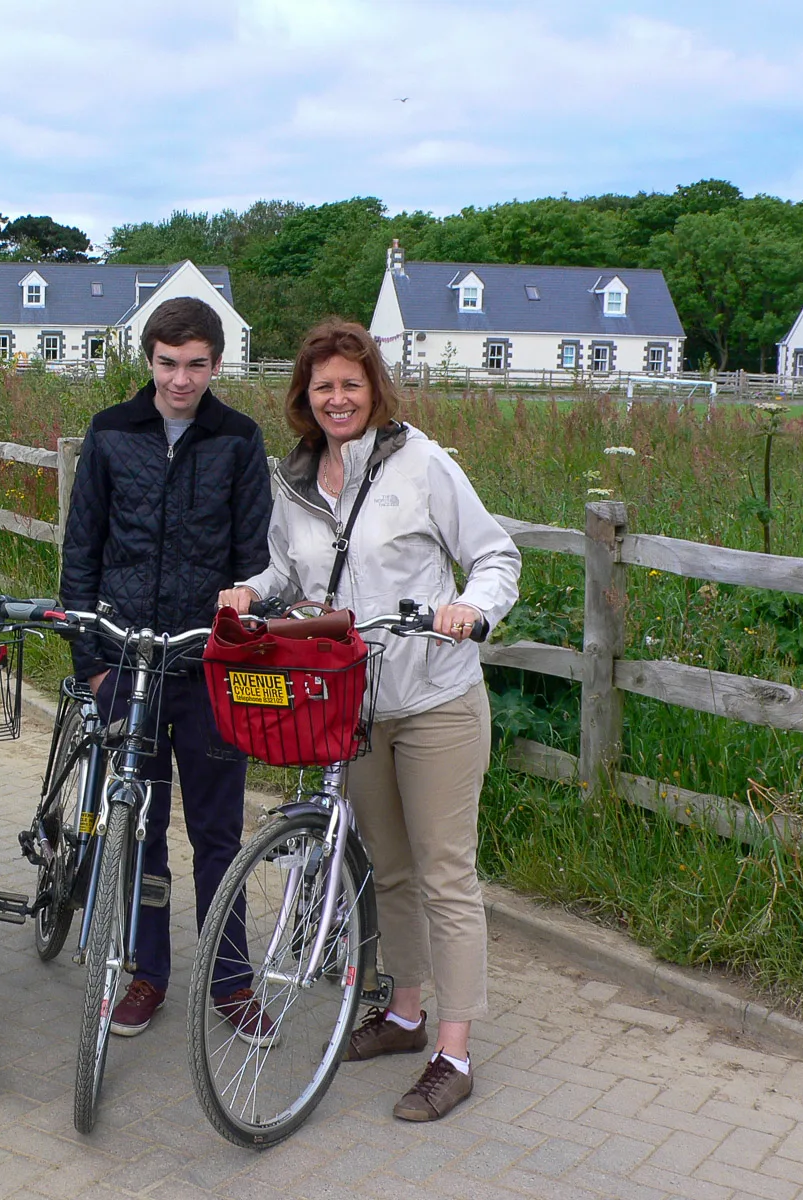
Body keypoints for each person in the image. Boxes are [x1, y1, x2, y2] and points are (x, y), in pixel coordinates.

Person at [218, 317, 521, 1122]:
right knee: (388, 870)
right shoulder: (295, 478)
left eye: (351, 384)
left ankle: (453, 1053)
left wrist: (471, 609)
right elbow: (287, 572)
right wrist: (252, 591)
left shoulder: (422, 463)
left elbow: (496, 555)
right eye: (324, 386)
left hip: (435, 698)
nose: (338, 398)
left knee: (445, 871)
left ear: (374, 389)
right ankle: (405, 1013)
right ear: (304, 396)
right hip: (349, 701)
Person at [61, 296, 273, 1039]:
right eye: (167, 363)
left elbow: (254, 558)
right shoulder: (111, 431)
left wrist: (238, 646)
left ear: (216, 364)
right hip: (128, 663)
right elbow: (81, 550)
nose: (181, 380)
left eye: (196, 365)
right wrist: (93, 664)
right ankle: (146, 973)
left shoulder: (238, 439)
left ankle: (232, 981)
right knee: (140, 829)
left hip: (207, 667)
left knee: (218, 834)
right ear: (148, 360)